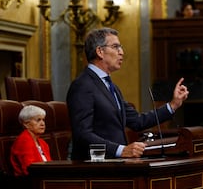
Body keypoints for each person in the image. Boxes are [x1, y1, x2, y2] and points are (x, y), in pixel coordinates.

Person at [66, 28, 189, 160]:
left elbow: (138, 121)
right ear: (100, 51)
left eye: (121, 47)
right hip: (95, 169)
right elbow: (82, 135)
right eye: (115, 47)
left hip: (117, 166)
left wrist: (173, 105)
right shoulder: (82, 85)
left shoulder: (111, 87)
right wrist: (120, 150)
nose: (121, 52)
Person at [10, 105, 52, 176]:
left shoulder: (43, 143)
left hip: (45, 179)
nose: (42, 123)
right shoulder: (23, 141)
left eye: (43, 120)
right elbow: (28, 170)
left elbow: (51, 165)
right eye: (38, 120)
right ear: (26, 124)